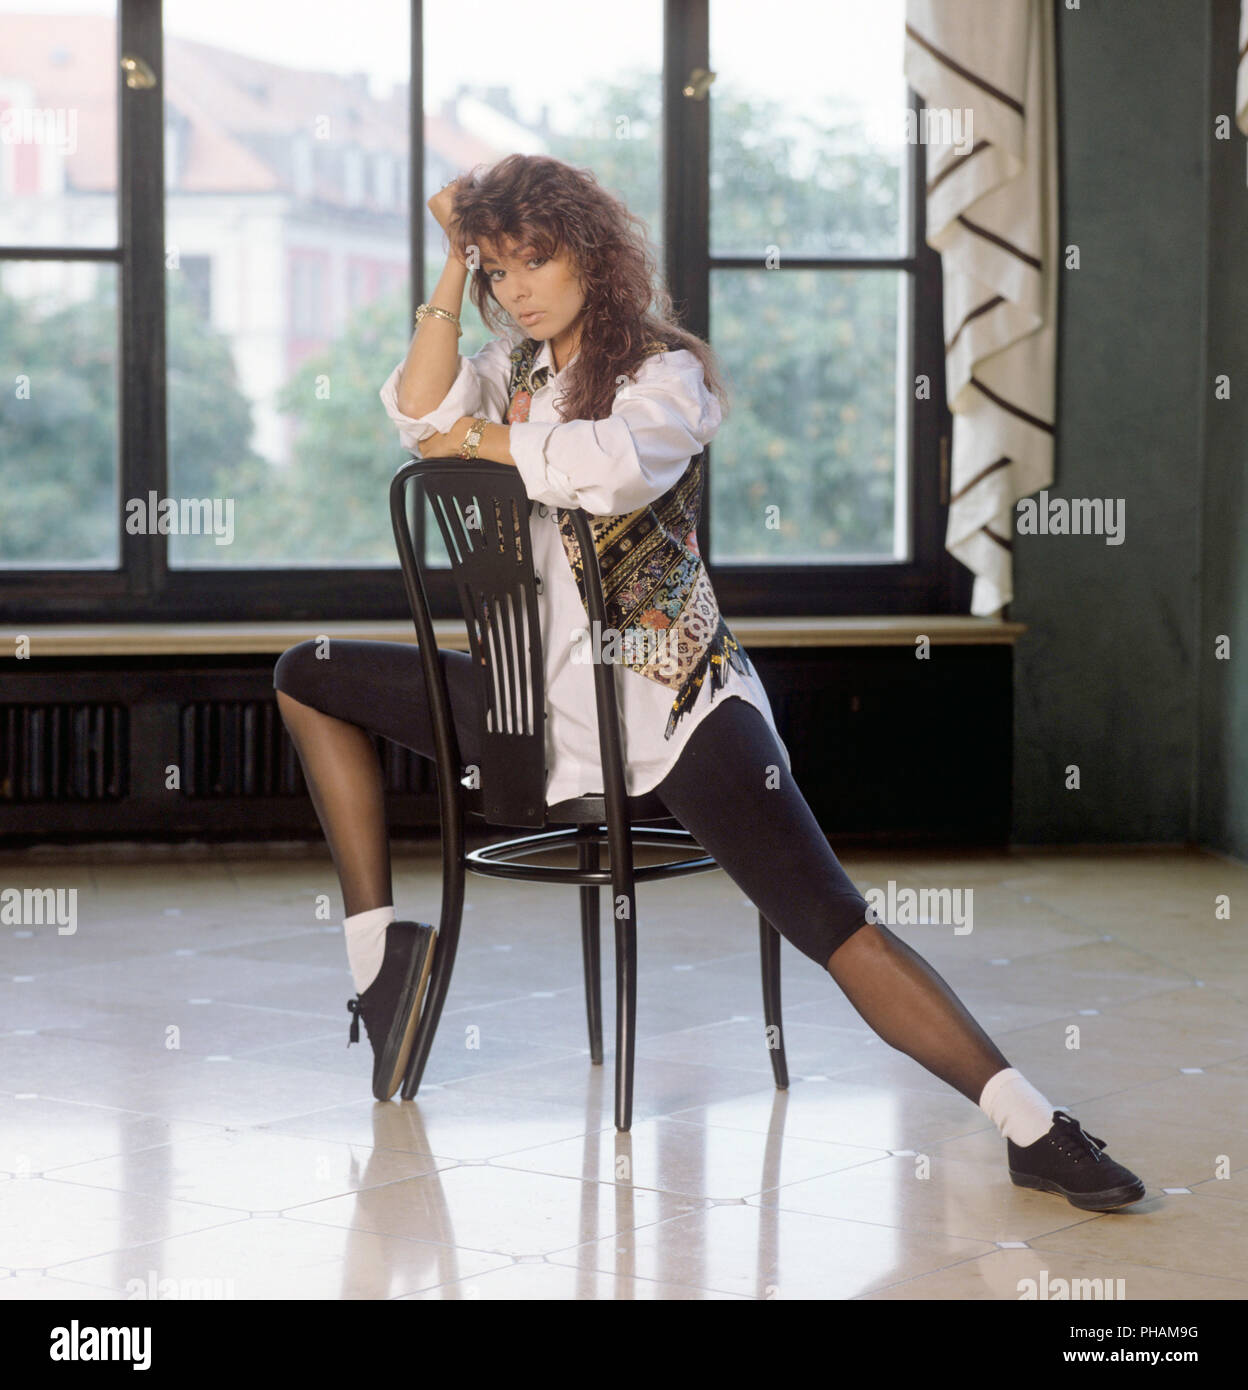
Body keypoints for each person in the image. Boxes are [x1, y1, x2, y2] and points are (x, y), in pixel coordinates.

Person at [273, 154, 1146, 1212]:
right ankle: (382, 960)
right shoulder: (513, 372)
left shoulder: (664, 374)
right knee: (306, 673)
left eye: (534, 260)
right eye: (500, 271)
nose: (519, 290)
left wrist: (477, 437)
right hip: (532, 713)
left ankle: (1031, 1124)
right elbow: (418, 409)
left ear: (590, 254)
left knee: (833, 921)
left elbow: (606, 467)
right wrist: (455, 264)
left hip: (677, 704)